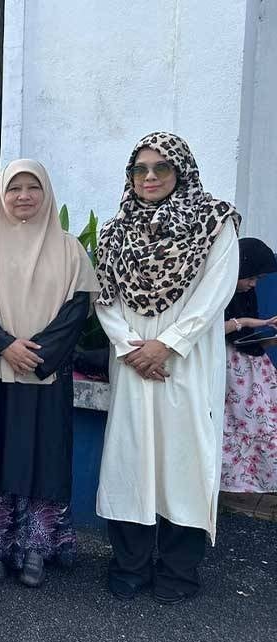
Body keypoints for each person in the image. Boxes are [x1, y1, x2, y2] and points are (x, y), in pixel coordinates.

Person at [94, 131, 240, 604]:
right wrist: (131, 346)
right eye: (140, 169)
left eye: (161, 168)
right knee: (131, 459)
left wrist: (169, 345)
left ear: (182, 171)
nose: (150, 177)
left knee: (183, 459)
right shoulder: (116, 232)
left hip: (187, 363)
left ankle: (179, 571)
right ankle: (129, 565)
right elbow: (104, 298)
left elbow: (215, 293)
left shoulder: (214, 223)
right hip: (133, 362)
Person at [0, 159, 100, 587]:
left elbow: (77, 309)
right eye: (14, 187)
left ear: (46, 193)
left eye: (32, 187)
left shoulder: (69, 249)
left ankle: (37, 548)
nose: (23, 196)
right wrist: (4, 345)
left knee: (42, 453)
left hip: (44, 371)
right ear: (1, 193)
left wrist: (36, 354)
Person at [221, 237, 277, 494]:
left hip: (253, 370)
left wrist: (268, 337)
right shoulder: (219, 291)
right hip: (229, 370)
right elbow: (211, 331)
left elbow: (249, 345)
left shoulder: (246, 294)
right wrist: (251, 322)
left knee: (266, 421)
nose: (253, 284)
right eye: (251, 277)